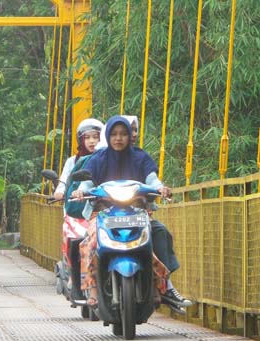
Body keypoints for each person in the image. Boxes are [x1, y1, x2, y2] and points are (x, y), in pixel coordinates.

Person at [71, 115, 191, 311]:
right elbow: (87, 181)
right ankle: (91, 290)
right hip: (104, 212)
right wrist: (81, 190)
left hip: (136, 211)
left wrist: (160, 188)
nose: (119, 138)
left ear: (130, 136)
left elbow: (152, 179)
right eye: (115, 134)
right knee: (90, 241)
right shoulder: (97, 159)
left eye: (124, 134)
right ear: (108, 136)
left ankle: (165, 286)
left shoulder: (140, 157)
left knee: (157, 233)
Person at [53, 118, 104, 201]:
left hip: (102, 203)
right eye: (87, 138)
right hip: (75, 203)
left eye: (95, 137)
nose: (91, 141)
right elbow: (64, 179)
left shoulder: (106, 159)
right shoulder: (72, 161)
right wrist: (60, 191)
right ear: (81, 140)